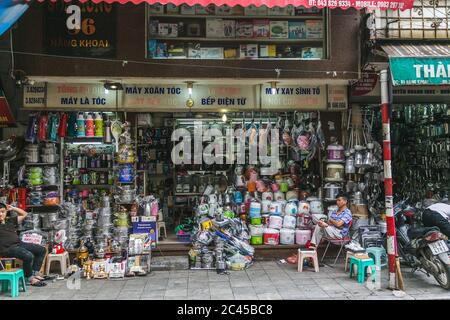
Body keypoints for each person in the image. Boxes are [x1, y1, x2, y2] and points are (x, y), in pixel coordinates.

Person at [287, 193, 353, 264]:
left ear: (345, 201)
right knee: (318, 224)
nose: (337, 202)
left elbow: (338, 224)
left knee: (320, 226)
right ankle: (312, 251)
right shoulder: (335, 211)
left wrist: (331, 222)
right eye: (337, 200)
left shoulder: (347, 213)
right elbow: (332, 223)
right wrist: (327, 223)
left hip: (340, 235)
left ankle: (311, 252)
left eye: (339, 200)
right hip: (331, 231)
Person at [0, 203, 47, 286]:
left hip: (18, 244)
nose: (1, 214)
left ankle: (34, 273)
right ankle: (29, 278)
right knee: (28, 256)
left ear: (6, 212)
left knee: (41, 250)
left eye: (2, 211)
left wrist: (13, 208)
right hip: (7, 249)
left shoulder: (10, 220)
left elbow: (24, 214)